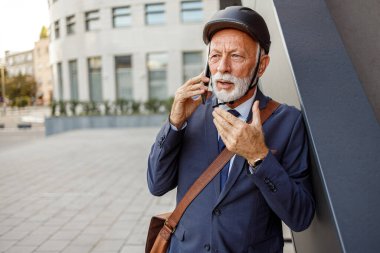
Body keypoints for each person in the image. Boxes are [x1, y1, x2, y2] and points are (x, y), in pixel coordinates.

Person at [147, 6, 315, 253]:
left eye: (236, 56)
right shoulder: (191, 113)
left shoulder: (287, 122)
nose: (222, 67)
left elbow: (300, 216)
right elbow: (156, 184)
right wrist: (174, 123)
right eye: (215, 56)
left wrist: (259, 157)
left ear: (261, 65)